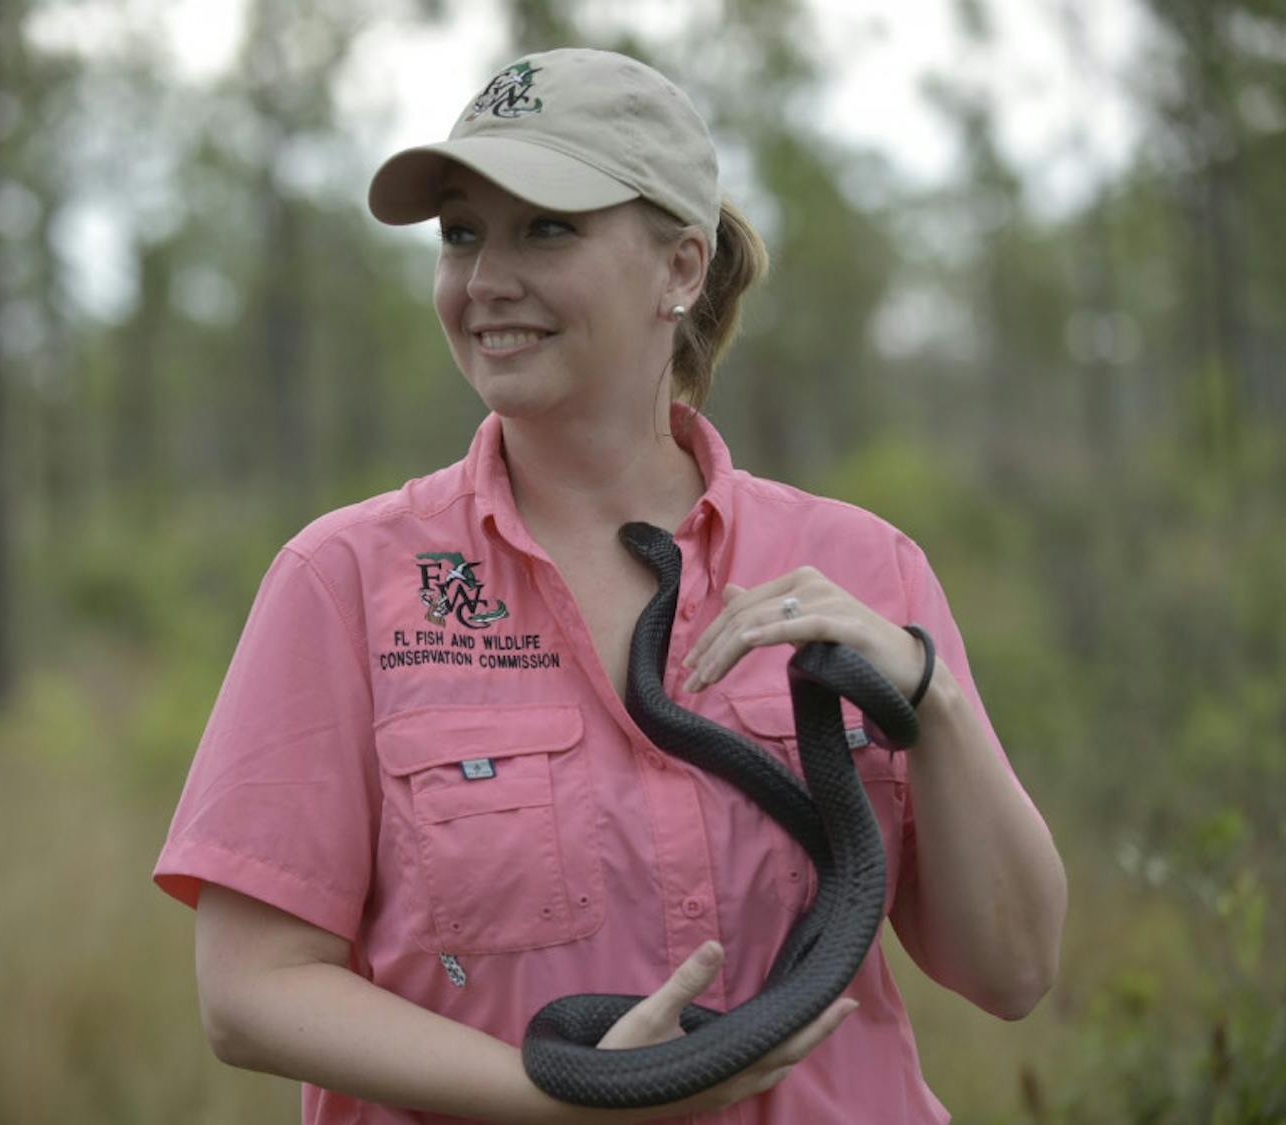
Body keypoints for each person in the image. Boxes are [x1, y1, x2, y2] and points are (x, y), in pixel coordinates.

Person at [153, 47, 1067, 1124]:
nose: (487, 279)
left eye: (547, 225)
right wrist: (585, 1098)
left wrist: (931, 698)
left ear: (681, 268)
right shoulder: (346, 581)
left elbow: (1009, 972)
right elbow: (251, 995)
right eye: (461, 233)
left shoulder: (863, 568)